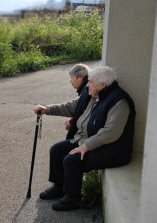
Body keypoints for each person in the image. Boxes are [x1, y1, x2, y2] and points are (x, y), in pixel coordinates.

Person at [33, 66, 136, 211]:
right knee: (57, 150)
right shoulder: (91, 94)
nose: (87, 84)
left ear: (103, 85)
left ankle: (72, 198)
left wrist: (86, 146)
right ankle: (60, 186)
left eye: (91, 82)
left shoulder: (119, 102)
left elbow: (111, 132)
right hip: (86, 140)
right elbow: (72, 107)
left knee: (72, 160)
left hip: (111, 148)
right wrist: (47, 109)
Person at [64, 64, 90, 130]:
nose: (70, 81)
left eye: (72, 78)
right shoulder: (85, 88)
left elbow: (83, 111)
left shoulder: (87, 91)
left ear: (80, 78)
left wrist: (72, 122)